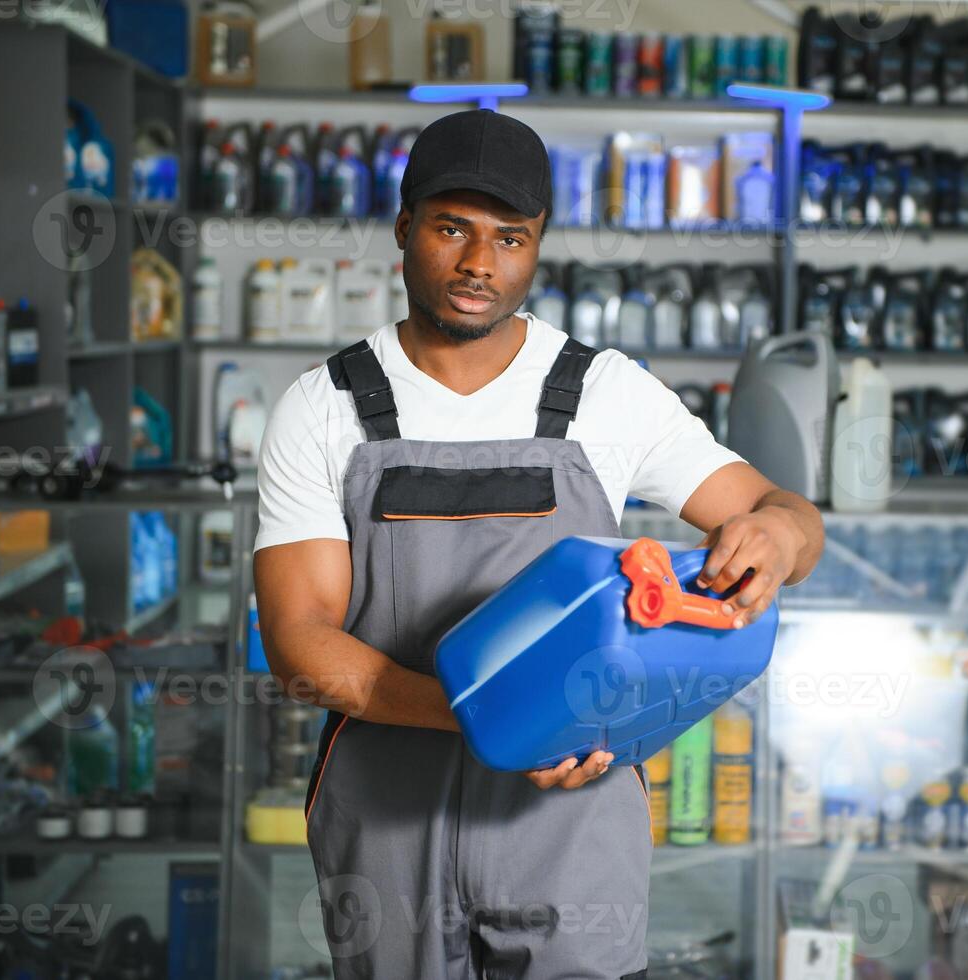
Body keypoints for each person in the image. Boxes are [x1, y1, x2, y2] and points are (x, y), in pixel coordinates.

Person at [253, 109, 825, 979]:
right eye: (452, 229)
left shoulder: (605, 393)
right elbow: (300, 646)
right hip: (389, 814)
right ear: (404, 228)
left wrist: (776, 535)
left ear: (538, 245)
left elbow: (785, 512)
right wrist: (508, 715)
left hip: (569, 819)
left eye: (509, 239)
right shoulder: (325, 406)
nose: (480, 264)